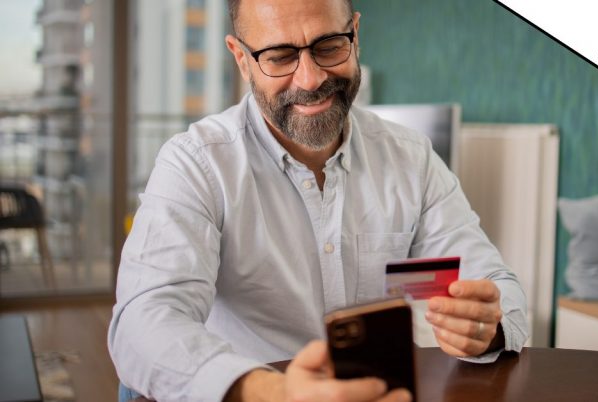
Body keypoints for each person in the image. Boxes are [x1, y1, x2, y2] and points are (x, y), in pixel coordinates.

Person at [108, 0, 529, 401]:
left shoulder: (411, 157)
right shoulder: (197, 163)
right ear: (241, 59)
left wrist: (483, 326)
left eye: (328, 47)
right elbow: (143, 324)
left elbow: (495, 287)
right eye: (279, 56)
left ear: (355, 36)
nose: (310, 80)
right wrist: (272, 393)